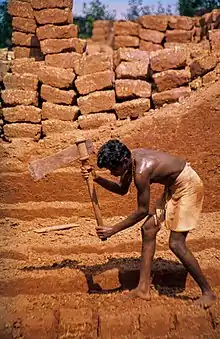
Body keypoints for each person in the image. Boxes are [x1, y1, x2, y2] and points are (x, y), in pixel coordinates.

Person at [81, 139, 216, 308]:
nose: (113, 173)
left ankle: (208, 293)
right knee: (148, 229)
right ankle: (143, 288)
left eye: (113, 169)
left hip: (188, 186)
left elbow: (142, 211)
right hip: (173, 188)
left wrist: (113, 230)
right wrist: (96, 178)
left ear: (123, 162)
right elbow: (122, 189)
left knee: (176, 243)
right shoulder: (130, 159)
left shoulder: (141, 172)